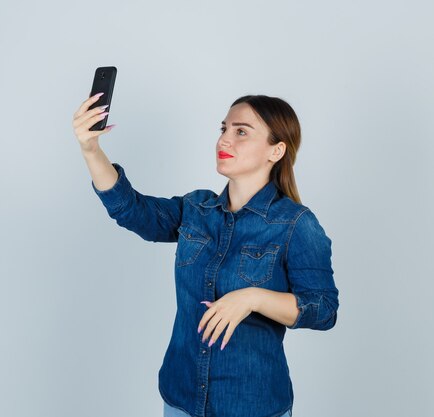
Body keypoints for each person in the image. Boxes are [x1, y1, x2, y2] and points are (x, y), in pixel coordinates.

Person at [72, 93, 339, 417]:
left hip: (251, 405)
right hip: (181, 398)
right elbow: (132, 210)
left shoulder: (296, 224)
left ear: (276, 150)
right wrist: (91, 150)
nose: (224, 139)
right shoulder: (196, 208)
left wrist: (252, 298)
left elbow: (323, 309)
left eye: (241, 131)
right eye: (223, 128)